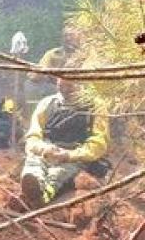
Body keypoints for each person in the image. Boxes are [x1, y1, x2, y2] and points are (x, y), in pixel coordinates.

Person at [19, 78, 110, 209]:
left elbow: (98, 143)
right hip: (46, 150)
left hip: (75, 155)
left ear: (80, 83)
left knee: (58, 175)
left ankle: (43, 197)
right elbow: (33, 136)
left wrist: (69, 155)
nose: (65, 90)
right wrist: (43, 148)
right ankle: (32, 186)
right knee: (34, 166)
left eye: (69, 86)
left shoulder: (95, 106)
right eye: (61, 85)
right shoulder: (47, 103)